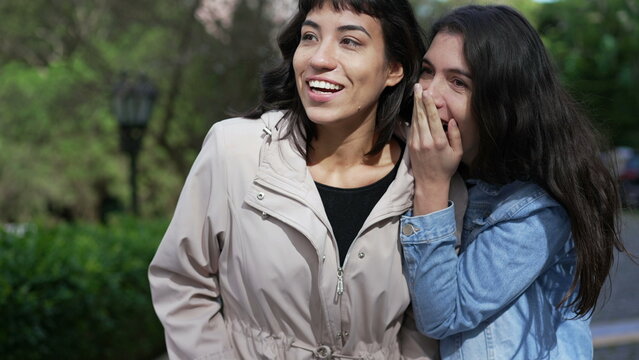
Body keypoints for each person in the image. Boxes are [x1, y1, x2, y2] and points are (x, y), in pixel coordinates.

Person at [149, 0, 466, 359]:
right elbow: (182, 282)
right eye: (310, 36)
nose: (319, 58)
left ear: (393, 69)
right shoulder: (234, 150)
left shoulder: (432, 178)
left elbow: (426, 324)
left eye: (350, 41)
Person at [400, 5, 627, 360]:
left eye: (458, 82)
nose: (429, 94)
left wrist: (431, 184)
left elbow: (442, 315)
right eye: (428, 71)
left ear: (502, 101)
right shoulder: (453, 178)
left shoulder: (536, 211)